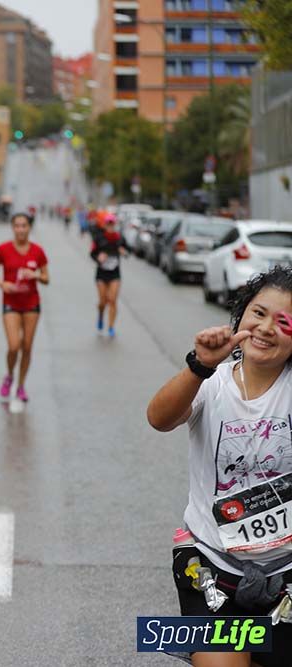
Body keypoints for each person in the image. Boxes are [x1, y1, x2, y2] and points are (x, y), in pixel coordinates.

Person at [147, 267, 292, 667]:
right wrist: (199, 366)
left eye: (284, 322)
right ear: (241, 316)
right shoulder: (211, 383)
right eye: (258, 313)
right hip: (212, 567)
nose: (267, 328)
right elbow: (158, 419)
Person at [0, 213, 49, 410]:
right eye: (17, 226)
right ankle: (9, 376)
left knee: (27, 347)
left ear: (29, 228)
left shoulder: (38, 251)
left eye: (24, 226)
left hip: (31, 304)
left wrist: (35, 275)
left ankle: (21, 385)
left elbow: (47, 278)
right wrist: (3, 284)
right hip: (11, 303)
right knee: (14, 346)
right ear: (13, 228)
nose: (21, 229)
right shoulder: (3, 249)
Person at [91, 213, 126, 338]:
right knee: (103, 301)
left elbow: (127, 250)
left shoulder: (119, 238)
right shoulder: (99, 238)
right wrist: (98, 258)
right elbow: (92, 253)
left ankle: (111, 326)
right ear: (104, 225)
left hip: (114, 273)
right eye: (108, 224)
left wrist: (124, 252)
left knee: (112, 300)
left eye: (112, 223)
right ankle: (101, 315)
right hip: (101, 273)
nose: (110, 226)